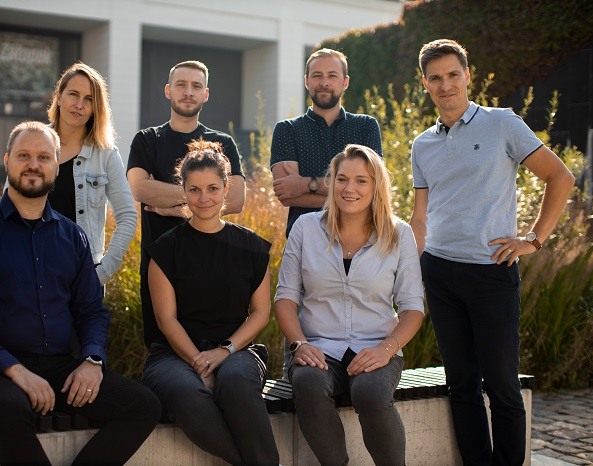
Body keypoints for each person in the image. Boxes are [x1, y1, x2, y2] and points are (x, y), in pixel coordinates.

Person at [0, 121, 161, 466]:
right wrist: (15, 370)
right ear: (7, 161)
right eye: (24, 156)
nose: (34, 164)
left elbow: (91, 311)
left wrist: (92, 361)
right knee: (9, 408)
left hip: (60, 368)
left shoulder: (73, 237)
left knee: (143, 406)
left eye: (44, 157)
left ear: (56, 166)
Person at [410, 39, 576, 465]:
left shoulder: (501, 123)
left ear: (468, 75)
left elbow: (560, 177)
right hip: (439, 272)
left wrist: (533, 239)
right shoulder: (422, 144)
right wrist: (413, 271)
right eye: (435, 78)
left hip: (491, 272)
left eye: (453, 75)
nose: (445, 85)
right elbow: (420, 217)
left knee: (502, 385)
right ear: (425, 83)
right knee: (461, 384)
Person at [275, 144, 425, 466]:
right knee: (308, 383)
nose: (349, 188)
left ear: (376, 186)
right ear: (331, 183)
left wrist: (386, 349)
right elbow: (285, 298)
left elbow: (413, 308)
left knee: (370, 392)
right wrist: (299, 344)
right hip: (316, 347)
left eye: (361, 181)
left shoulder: (400, 234)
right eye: (342, 179)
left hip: (376, 346)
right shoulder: (305, 229)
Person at [141, 139, 279, 465]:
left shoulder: (251, 247)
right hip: (173, 355)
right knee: (186, 392)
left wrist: (223, 352)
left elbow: (261, 314)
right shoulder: (165, 249)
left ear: (226, 188)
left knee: (236, 382)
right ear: (184, 191)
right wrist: (198, 362)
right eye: (195, 190)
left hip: (236, 351)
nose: (204, 198)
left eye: (213, 189)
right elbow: (166, 320)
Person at [127, 60, 245, 347]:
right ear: (168, 90)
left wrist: (171, 207)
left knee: (213, 355)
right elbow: (140, 188)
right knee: (163, 356)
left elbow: (236, 199)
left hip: (213, 268)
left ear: (206, 94)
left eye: (196, 86)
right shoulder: (147, 140)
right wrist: (207, 195)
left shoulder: (222, 143)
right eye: (181, 85)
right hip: (160, 268)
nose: (188, 92)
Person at [270, 48, 383, 238]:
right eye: (317, 76)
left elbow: (374, 187)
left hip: (361, 239)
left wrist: (306, 184)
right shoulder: (287, 129)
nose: (324, 82)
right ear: (307, 81)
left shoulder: (366, 126)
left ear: (345, 82)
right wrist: (351, 195)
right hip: (305, 240)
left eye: (332, 76)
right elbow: (287, 195)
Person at [47, 62, 137, 286]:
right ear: (59, 97)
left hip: (82, 276)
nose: (79, 105)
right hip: (32, 272)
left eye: (89, 99)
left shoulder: (105, 154)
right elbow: (9, 207)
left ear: (96, 108)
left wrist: (101, 274)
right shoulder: (33, 143)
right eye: (73, 94)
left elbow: (127, 216)